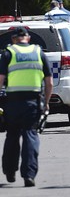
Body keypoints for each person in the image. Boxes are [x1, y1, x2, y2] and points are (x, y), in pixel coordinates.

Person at [0, 27, 53, 187]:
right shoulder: (39, 53)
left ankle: (9, 171)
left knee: (12, 136)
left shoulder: (8, 53)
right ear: (28, 38)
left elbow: (0, 79)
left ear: (15, 39)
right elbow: (49, 82)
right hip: (33, 101)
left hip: (13, 102)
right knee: (30, 135)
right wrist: (46, 103)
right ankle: (29, 175)